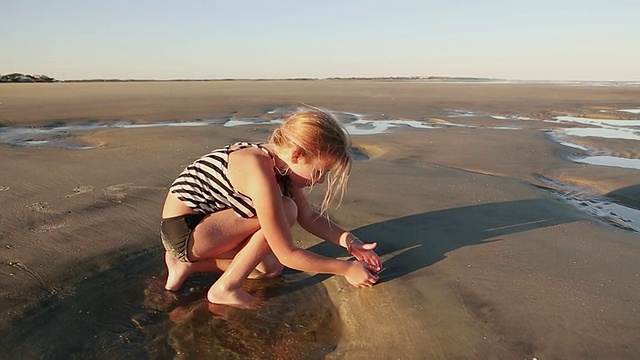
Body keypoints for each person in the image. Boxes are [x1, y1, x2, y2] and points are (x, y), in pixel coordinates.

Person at [160, 109, 382, 308]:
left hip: (208, 229)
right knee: (286, 210)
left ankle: (188, 266)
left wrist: (351, 242)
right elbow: (288, 254)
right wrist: (345, 269)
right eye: (318, 172)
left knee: (270, 269)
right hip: (185, 232)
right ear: (297, 155)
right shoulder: (259, 171)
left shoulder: (281, 163)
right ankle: (225, 288)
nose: (321, 181)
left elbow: (310, 217)